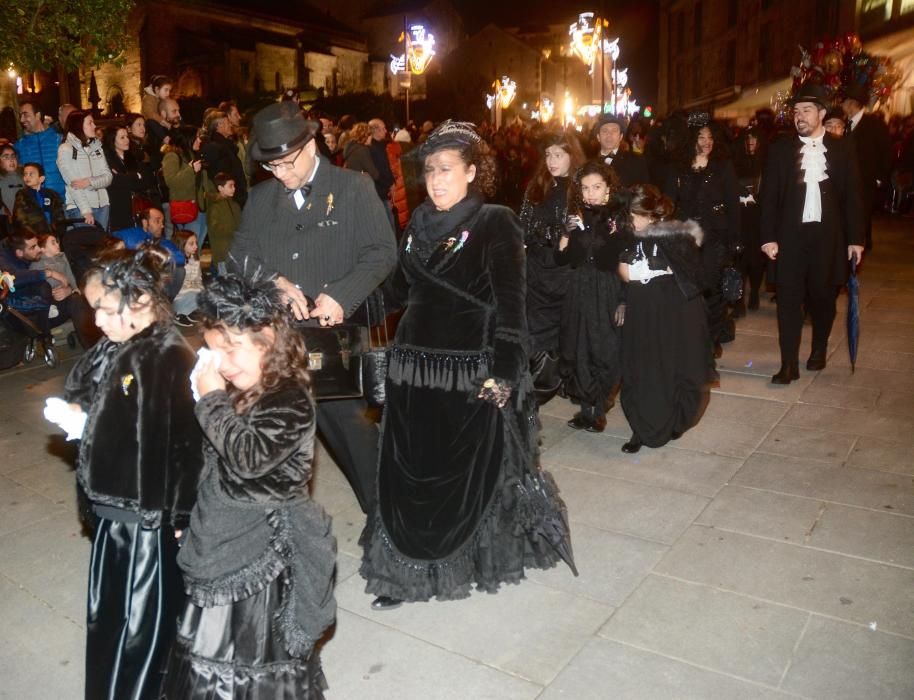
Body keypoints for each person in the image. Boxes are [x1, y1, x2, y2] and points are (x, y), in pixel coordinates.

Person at [359, 120, 574, 609]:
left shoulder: (495, 221)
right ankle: (404, 572)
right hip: (412, 369)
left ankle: (461, 561)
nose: (436, 180)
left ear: (472, 172)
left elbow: (512, 302)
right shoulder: (416, 224)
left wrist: (503, 368)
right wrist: (336, 304)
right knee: (409, 470)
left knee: (461, 475)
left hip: (467, 372)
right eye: (431, 171)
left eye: (447, 170)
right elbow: (395, 290)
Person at [160, 272, 336, 699]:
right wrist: (190, 516)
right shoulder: (240, 388)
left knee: (246, 663)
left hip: (261, 552)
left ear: (269, 342)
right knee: (205, 656)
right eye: (213, 350)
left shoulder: (289, 397)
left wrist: (211, 400)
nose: (221, 362)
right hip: (219, 533)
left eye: (232, 348)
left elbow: (249, 457)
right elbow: (211, 464)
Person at [229, 101, 397, 514]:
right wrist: (273, 280)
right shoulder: (261, 198)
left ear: (310, 145)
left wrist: (342, 293)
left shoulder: (354, 188)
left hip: (334, 341)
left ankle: (387, 516)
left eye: (286, 163)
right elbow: (238, 257)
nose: (280, 174)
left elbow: (382, 251)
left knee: (355, 436)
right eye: (271, 168)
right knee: (274, 443)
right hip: (278, 342)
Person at [53, 249, 203, 698]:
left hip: (145, 521)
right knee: (110, 621)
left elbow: (185, 448)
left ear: (137, 300)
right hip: (111, 515)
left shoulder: (166, 353)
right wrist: (78, 414)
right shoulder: (114, 346)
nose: (95, 319)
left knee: (143, 632)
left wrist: (180, 519)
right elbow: (85, 384)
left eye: (102, 307)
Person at [761, 82, 865, 383]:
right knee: (789, 301)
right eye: (796, 111)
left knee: (822, 298)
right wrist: (768, 236)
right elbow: (768, 197)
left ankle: (818, 348)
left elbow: (853, 197)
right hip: (790, 239)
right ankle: (788, 364)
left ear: (821, 113)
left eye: (807, 110)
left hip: (828, 239)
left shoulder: (843, 148)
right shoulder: (781, 150)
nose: (800, 117)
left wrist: (855, 240)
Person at [618, 185, 713, 453]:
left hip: (670, 310)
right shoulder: (626, 235)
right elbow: (620, 272)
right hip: (640, 307)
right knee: (639, 367)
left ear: (652, 214)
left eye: (637, 215)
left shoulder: (674, 235)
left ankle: (670, 420)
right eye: (629, 214)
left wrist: (660, 269)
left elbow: (691, 274)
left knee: (669, 366)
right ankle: (640, 427)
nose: (632, 221)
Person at [555, 161, 627, 433]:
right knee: (578, 347)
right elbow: (564, 258)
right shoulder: (576, 216)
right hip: (579, 289)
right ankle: (586, 409)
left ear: (608, 189)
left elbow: (617, 260)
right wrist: (566, 236)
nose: (591, 193)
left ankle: (599, 407)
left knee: (604, 349)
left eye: (597, 187)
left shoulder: (618, 219)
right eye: (585, 188)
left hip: (608, 290)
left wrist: (624, 299)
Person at [665, 119, 740, 357]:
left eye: (710, 137)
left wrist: (736, 238)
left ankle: (711, 337)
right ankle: (690, 334)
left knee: (712, 288)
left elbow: (733, 204)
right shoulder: (678, 168)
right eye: (701, 137)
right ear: (691, 140)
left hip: (715, 235)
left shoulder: (723, 166)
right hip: (685, 236)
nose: (707, 142)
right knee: (687, 288)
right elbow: (668, 202)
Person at [520, 132, 585, 371]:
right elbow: (523, 224)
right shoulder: (538, 185)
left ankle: (561, 374)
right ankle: (540, 381)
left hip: (565, 270)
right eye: (548, 155)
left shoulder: (581, 188)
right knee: (533, 330)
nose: (552, 161)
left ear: (572, 156)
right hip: (537, 268)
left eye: (559, 154)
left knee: (565, 328)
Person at [0, 229, 99, 347]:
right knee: (43, 286)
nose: (39, 249)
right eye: (33, 247)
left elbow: (67, 279)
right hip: (27, 316)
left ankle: (93, 350)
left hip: (51, 308)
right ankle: (44, 339)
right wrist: (49, 273)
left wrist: (70, 290)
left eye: (37, 245)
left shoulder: (34, 254)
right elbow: (12, 279)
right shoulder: (4, 260)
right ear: (19, 253)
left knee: (76, 300)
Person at [841, 84, 891, 251]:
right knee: (854, 215)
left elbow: (886, 153)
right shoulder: (844, 124)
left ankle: (859, 246)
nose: (842, 105)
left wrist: (878, 179)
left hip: (867, 181)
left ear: (852, 103)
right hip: (849, 181)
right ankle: (857, 244)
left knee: (862, 216)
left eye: (844, 101)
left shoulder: (874, 125)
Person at [57, 110, 112, 230]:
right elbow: (73, 184)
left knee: (101, 246)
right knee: (86, 246)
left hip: (103, 204)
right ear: (78, 125)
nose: (94, 126)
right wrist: (86, 210)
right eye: (90, 123)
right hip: (79, 208)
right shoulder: (66, 149)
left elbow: (108, 177)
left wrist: (89, 182)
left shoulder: (97, 148)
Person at [733, 127, 768, 312]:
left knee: (756, 260)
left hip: (758, 216)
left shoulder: (766, 163)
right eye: (748, 139)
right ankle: (738, 300)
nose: (751, 142)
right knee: (739, 259)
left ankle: (754, 291)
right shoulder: (735, 163)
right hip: (740, 215)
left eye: (755, 138)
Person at [103, 125, 154, 231]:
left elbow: (147, 180)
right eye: (122, 137)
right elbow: (115, 181)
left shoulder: (133, 156)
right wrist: (136, 176)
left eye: (127, 136)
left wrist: (127, 177)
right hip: (119, 208)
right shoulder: (107, 160)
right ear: (112, 141)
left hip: (138, 207)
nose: (127, 140)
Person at [161, 125, 206, 243]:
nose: (199, 140)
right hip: (186, 208)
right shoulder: (172, 156)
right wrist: (190, 169)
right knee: (190, 247)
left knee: (196, 246)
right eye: (196, 137)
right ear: (188, 139)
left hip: (199, 207)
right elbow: (171, 181)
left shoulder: (191, 155)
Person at [15, 100, 66, 200]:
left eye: (25, 115)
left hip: (60, 202)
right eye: (20, 116)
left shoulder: (59, 140)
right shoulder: (19, 146)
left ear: (38, 115)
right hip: (34, 205)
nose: (21, 120)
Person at [202, 110, 248, 207]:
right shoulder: (217, 148)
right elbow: (223, 177)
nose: (231, 125)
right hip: (231, 200)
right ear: (219, 126)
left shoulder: (225, 146)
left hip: (236, 197)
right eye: (228, 123)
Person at [594, 115, 650, 187]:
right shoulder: (589, 164)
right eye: (605, 130)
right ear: (598, 137)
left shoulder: (636, 162)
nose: (609, 134)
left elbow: (644, 194)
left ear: (620, 136)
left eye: (614, 130)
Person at [203, 172, 241, 273]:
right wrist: (234, 232)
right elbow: (215, 228)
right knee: (225, 281)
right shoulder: (215, 207)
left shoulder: (234, 205)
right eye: (230, 186)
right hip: (222, 253)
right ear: (220, 188)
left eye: (234, 185)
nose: (234, 188)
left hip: (236, 251)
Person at [13, 162, 66, 235]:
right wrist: (31, 234)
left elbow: (59, 215)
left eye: (31, 174)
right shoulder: (22, 194)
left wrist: (58, 232)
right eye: (25, 174)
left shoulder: (52, 194)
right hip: (33, 234)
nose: (27, 177)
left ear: (41, 179)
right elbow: (20, 217)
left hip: (53, 233)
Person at [171, 229, 203, 325]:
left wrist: (201, 291)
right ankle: (181, 314)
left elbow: (199, 279)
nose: (196, 246)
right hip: (182, 296)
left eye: (196, 243)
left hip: (194, 293)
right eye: (191, 244)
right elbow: (174, 287)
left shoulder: (195, 259)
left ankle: (191, 312)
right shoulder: (175, 261)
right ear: (182, 244)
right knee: (193, 297)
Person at [0, 144, 23, 233]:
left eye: (13, 156)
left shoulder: (25, 175)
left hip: (25, 220)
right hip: (5, 223)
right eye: (6, 157)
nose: (11, 159)